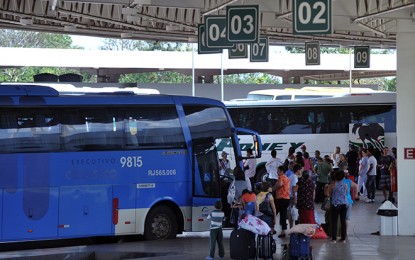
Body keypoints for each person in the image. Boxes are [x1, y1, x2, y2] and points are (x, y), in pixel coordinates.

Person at [327, 170, 348, 243]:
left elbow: (328, 194)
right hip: (344, 204)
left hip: (335, 204)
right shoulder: (345, 184)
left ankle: (334, 239)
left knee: (334, 221)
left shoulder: (333, 185)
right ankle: (343, 238)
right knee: (343, 221)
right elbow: (346, 192)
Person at [274, 166, 291, 238]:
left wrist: (272, 188)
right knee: (283, 215)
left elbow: (280, 184)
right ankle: (283, 231)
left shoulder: (280, 177)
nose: (277, 172)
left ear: (281, 171)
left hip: (280, 198)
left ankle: (271, 229)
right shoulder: (287, 178)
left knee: (274, 213)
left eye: (278, 171)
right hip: (287, 198)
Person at [288, 163, 302, 228]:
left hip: (291, 196)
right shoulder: (294, 177)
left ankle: (292, 227)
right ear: (298, 170)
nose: (301, 171)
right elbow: (294, 189)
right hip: (292, 197)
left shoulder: (292, 176)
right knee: (293, 212)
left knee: (292, 212)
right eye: (300, 170)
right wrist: (295, 199)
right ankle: (292, 228)